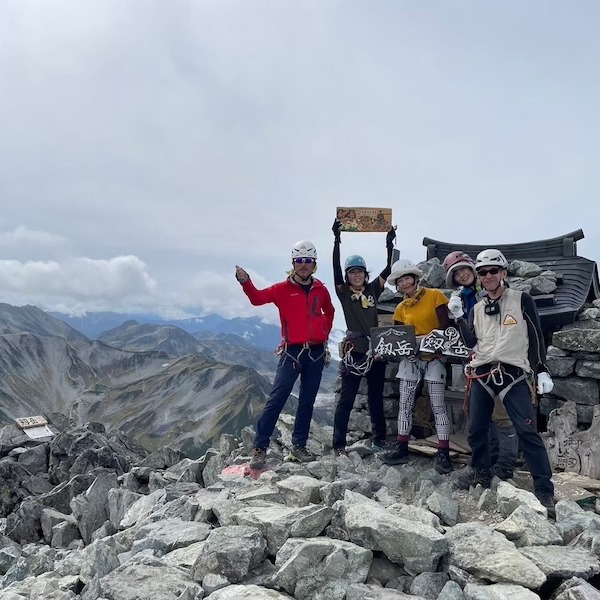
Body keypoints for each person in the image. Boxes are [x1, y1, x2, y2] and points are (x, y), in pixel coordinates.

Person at [450, 249, 556, 516]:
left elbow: (535, 335)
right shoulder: (476, 308)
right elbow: (470, 343)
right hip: (482, 372)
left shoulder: (522, 300)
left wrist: (541, 369)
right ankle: (483, 473)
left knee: (527, 432)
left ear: (503, 273)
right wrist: (459, 318)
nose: (488, 276)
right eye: (483, 272)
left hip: (513, 372)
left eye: (493, 271)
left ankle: (544, 489)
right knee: (475, 431)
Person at [235, 240, 335, 469]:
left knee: (307, 402)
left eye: (308, 261)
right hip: (293, 352)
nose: (303, 265)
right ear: (293, 263)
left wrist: (325, 332)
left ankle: (299, 446)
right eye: (300, 261)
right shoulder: (282, 289)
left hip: (316, 352)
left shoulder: (321, 289)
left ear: (314, 265)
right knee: (277, 399)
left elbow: (329, 310)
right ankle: (260, 448)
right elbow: (257, 299)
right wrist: (245, 282)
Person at [443, 251, 518, 480]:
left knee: (502, 413)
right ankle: (486, 463)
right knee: (482, 416)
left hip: (501, 360)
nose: (462, 275)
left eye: (465, 270)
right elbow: (469, 335)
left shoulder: (497, 294)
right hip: (477, 360)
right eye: (457, 274)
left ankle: (504, 465)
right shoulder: (464, 298)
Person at [381, 259, 454, 474]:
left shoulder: (435, 296)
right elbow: (397, 336)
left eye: (406, 278)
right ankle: (401, 445)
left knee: (438, 405)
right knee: (405, 403)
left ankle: (443, 451)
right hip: (411, 359)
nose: (404, 283)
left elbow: (445, 325)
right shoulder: (400, 307)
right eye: (400, 280)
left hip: (434, 357)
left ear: (415, 278)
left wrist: (424, 340)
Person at [331, 219, 395, 455]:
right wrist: (337, 241)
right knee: (347, 398)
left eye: (359, 271)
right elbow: (335, 270)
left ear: (364, 274)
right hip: (355, 350)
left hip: (376, 350)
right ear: (348, 276)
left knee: (375, 396)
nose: (356, 275)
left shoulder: (373, 290)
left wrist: (390, 244)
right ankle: (338, 444)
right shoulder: (344, 294)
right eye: (352, 272)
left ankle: (379, 438)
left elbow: (389, 269)